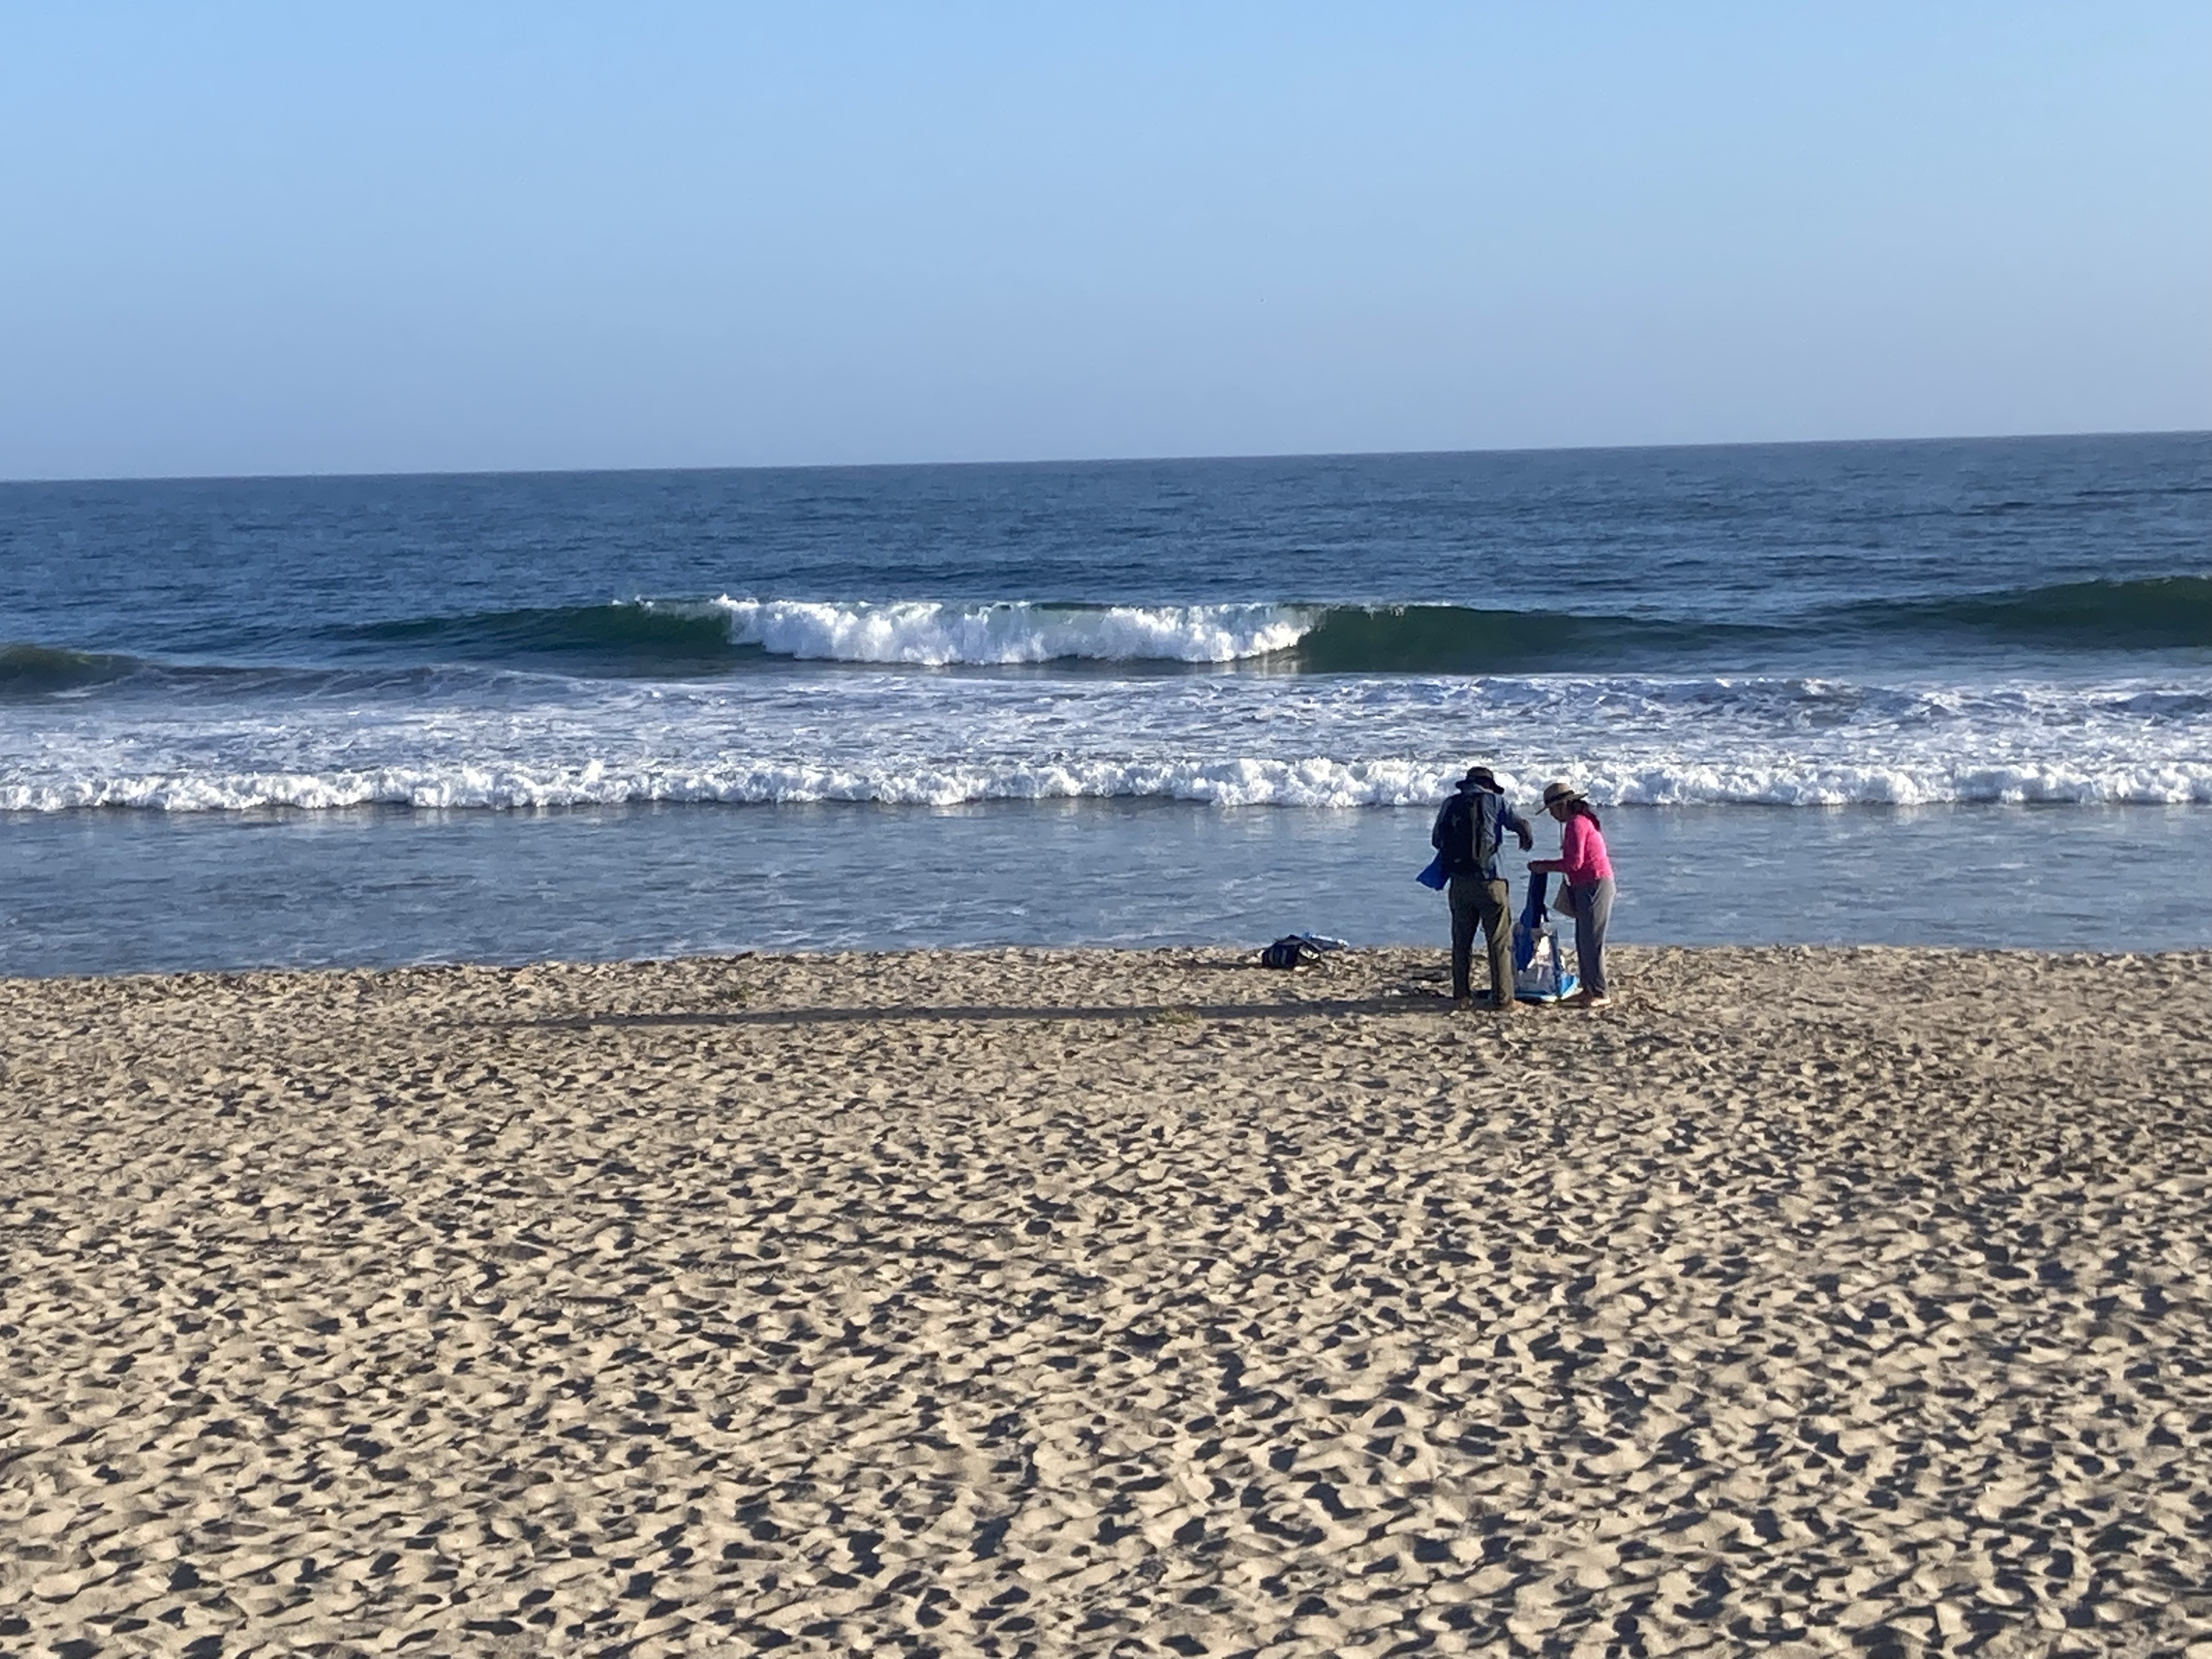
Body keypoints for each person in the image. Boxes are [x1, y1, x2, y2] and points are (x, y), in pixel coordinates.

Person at [1430, 765, 1533, 1012]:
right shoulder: (1497, 802)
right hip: (1491, 880)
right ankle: (1503, 999)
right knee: (1499, 941)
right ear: (1488, 785)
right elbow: (1521, 825)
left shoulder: (1450, 804)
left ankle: (1461, 995)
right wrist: (1525, 838)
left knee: (1461, 941)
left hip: (1459, 882)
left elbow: (1436, 840)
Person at [1528, 781, 1614, 1007]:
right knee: (1583, 939)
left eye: (1553, 810)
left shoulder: (1577, 824)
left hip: (1595, 883)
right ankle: (1589, 989)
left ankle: (1600, 992)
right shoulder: (1578, 822)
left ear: (1563, 805)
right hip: (1585, 884)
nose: (1552, 815)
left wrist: (1544, 866)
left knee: (1592, 940)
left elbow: (1575, 863)